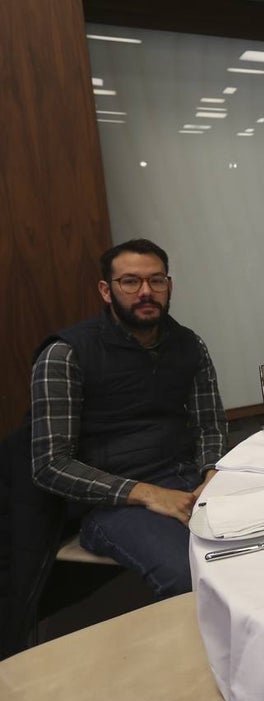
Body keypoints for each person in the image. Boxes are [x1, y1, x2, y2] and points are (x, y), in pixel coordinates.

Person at [29, 239, 226, 598]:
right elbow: (49, 465)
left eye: (157, 281)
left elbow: (209, 424)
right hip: (112, 501)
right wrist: (147, 494)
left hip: (187, 479)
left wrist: (211, 471)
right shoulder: (65, 353)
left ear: (169, 286)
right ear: (107, 290)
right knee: (190, 576)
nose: (146, 292)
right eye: (131, 282)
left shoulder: (188, 344)